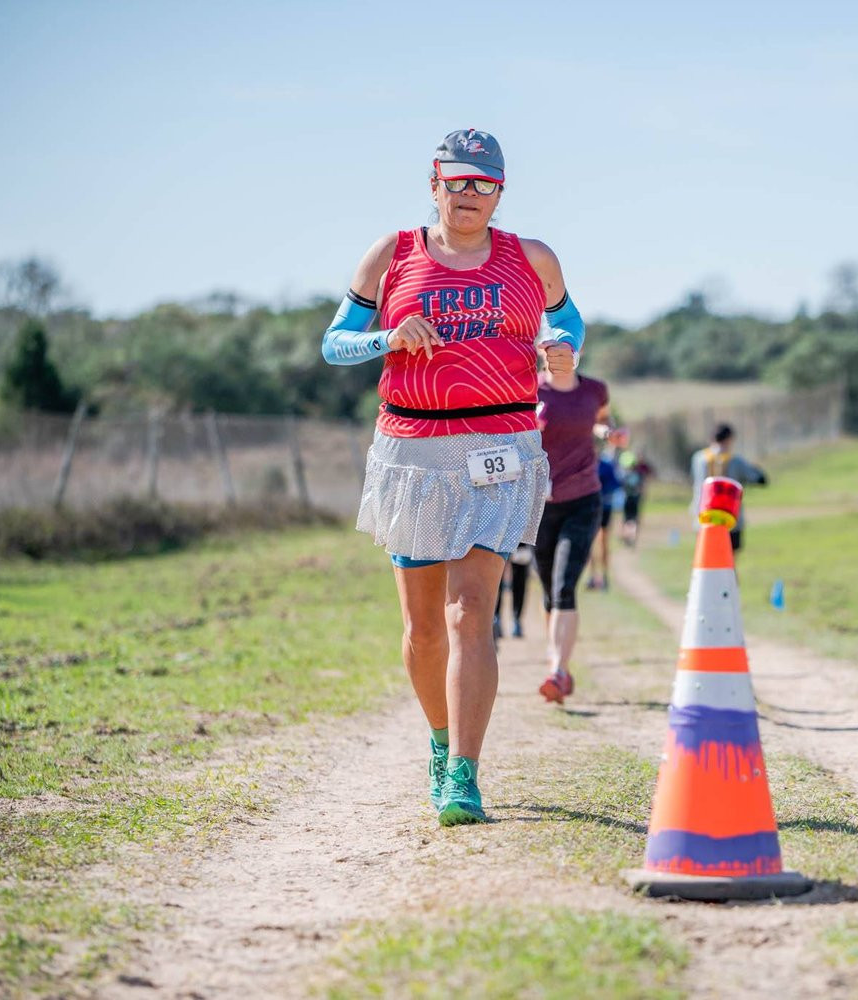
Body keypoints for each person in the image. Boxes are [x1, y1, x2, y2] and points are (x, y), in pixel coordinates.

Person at [321, 129, 584, 826]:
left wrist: (562, 357)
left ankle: (464, 773)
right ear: (433, 183)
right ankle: (438, 742)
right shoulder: (393, 254)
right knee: (424, 628)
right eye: (457, 181)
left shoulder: (532, 258)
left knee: (473, 610)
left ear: (501, 191)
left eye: (484, 184)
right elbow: (334, 342)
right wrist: (387, 336)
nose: (470, 195)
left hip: (501, 445)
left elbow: (569, 324)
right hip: (415, 453)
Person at [534, 366, 611, 703]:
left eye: (566, 347)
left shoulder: (595, 390)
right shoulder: (528, 388)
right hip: (539, 504)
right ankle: (557, 662)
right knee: (550, 590)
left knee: (565, 585)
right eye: (551, 348)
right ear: (540, 351)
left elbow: (602, 419)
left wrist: (608, 432)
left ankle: (558, 670)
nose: (559, 353)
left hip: (583, 500)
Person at [689, 423, 766, 554]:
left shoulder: (698, 458)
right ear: (729, 439)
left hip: (703, 518)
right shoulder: (735, 461)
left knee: (707, 560)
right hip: (730, 520)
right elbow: (759, 479)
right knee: (728, 562)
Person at [613, 428, 654, 547]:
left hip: (626, 498)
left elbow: (619, 484)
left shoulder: (624, 475)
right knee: (634, 519)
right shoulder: (638, 474)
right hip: (636, 497)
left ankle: (627, 538)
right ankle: (632, 538)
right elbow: (643, 483)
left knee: (626, 519)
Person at [588, 445, 621, 590]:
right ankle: (591, 576)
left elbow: (616, 484)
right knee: (589, 543)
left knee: (603, 542)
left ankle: (604, 576)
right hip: (589, 507)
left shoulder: (606, 465)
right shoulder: (585, 464)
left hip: (604, 507)